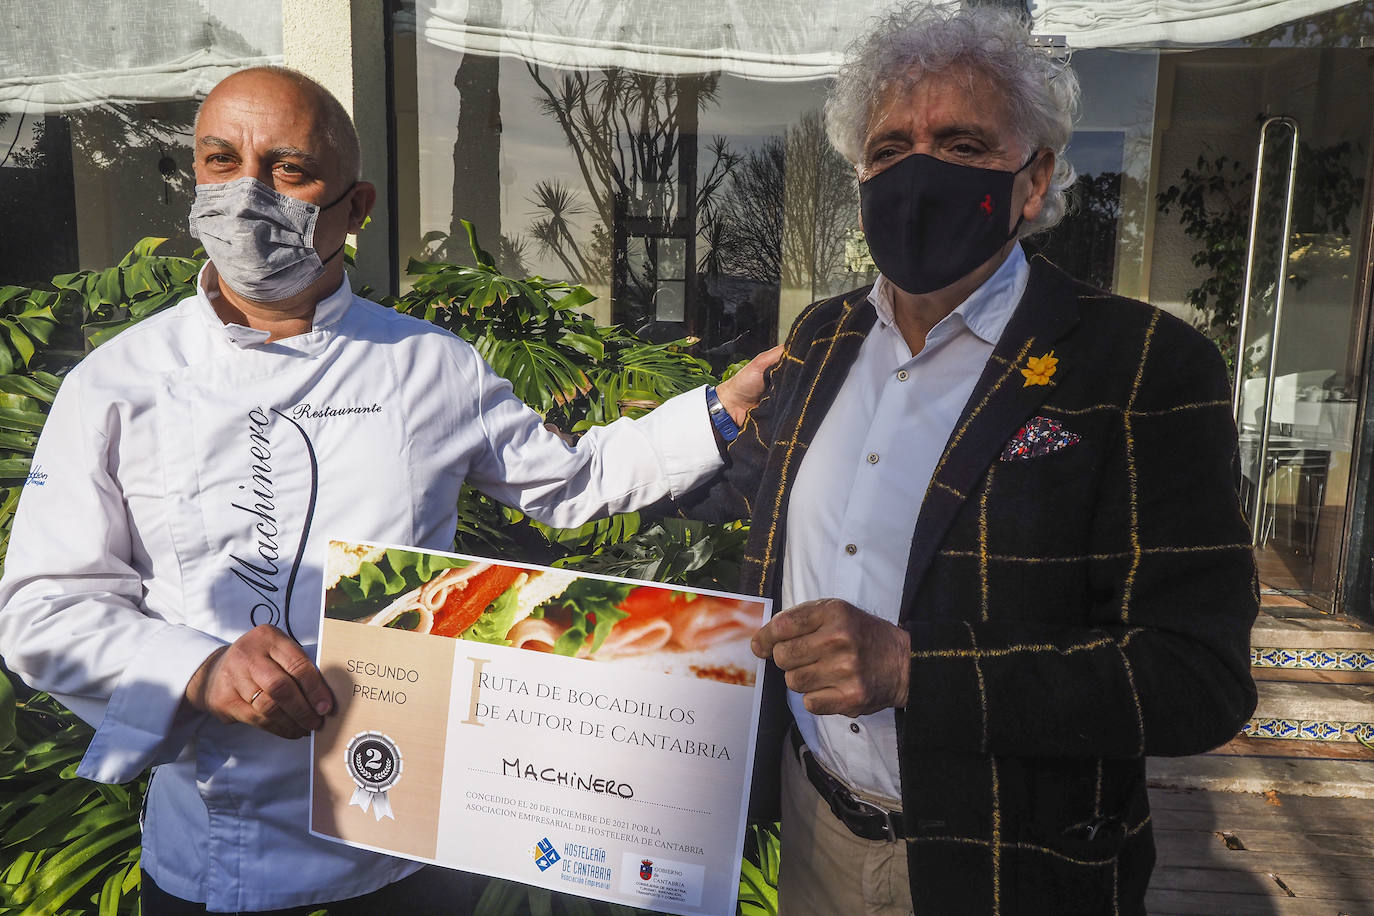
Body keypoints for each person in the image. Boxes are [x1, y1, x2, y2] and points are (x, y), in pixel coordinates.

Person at [0, 66, 773, 915]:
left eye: (288, 170)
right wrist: (199, 668)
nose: (246, 193)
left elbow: (575, 483)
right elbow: (42, 610)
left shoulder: (429, 365)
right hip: (215, 860)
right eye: (221, 160)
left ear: (357, 207)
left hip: (409, 852)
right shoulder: (119, 382)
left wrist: (721, 410)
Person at [679, 6, 1258, 914]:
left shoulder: (1143, 365)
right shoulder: (822, 339)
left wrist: (917, 668)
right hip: (816, 835)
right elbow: (736, 517)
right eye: (889, 148)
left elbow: (1198, 678)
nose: (917, 173)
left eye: (960, 145)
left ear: (1034, 181)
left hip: (1012, 866)